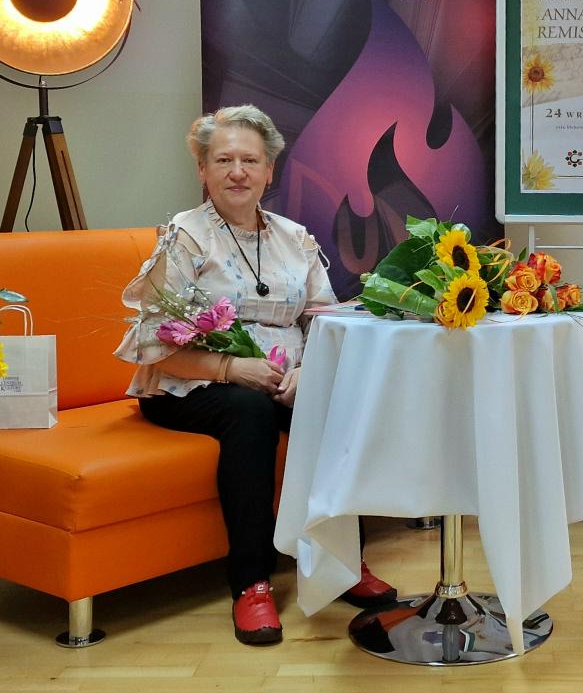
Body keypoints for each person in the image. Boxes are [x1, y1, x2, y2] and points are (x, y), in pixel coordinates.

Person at [113, 105, 396, 645]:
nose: (237, 172)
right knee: (249, 412)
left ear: (270, 170)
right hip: (189, 384)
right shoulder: (186, 236)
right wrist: (231, 366)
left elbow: (324, 319)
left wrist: (308, 371)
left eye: (250, 160)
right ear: (203, 169)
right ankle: (251, 583)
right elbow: (154, 343)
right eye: (223, 160)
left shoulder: (295, 237)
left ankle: (342, 563)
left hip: (280, 380)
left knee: (334, 402)